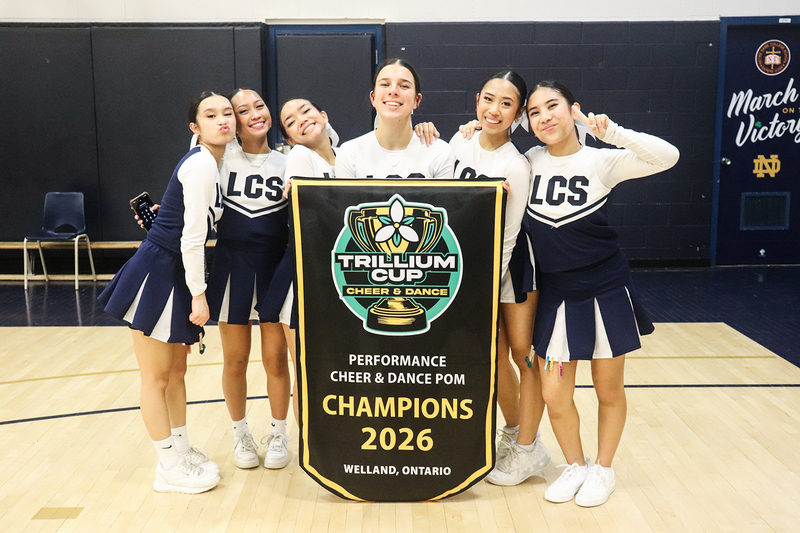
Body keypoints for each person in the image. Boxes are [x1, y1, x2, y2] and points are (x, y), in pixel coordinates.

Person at [521, 81, 679, 506]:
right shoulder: (529, 160)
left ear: (573, 109)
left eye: (552, 106)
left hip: (604, 290)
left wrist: (612, 132)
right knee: (554, 395)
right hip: (555, 297)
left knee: (608, 390)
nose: (545, 117)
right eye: (534, 112)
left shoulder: (601, 161)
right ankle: (575, 465)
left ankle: (603, 470)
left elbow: (668, 156)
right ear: (529, 123)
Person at [99, 91, 235, 493]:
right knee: (156, 377)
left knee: (177, 372)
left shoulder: (213, 161)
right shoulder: (202, 165)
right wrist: (199, 294)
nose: (223, 120)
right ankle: (167, 467)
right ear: (196, 127)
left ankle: (181, 449)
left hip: (173, 271)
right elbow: (192, 239)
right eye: (211, 115)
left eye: (227, 113)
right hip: (159, 272)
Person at [449, 71, 550, 486]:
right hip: (466, 267)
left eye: (506, 104)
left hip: (508, 268)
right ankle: (512, 434)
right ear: (476, 100)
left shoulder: (516, 164)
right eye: (488, 99)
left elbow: (508, 235)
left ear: (518, 113)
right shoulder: (458, 143)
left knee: (523, 353)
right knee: (493, 358)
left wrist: (480, 288)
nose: (494, 110)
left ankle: (529, 447)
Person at [204, 88, 292, 471]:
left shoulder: (291, 158)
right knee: (236, 360)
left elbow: (330, 144)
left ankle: (278, 432)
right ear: (232, 121)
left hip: (275, 265)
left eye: (259, 105)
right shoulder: (219, 158)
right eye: (243, 110)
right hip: (231, 265)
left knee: (275, 360)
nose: (254, 113)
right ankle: (240, 433)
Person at [335, 58, 454, 179]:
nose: (393, 91)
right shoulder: (349, 153)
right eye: (385, 84)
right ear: (373, 98)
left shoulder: (440, 152)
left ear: (416, 100)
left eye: (404, 86)